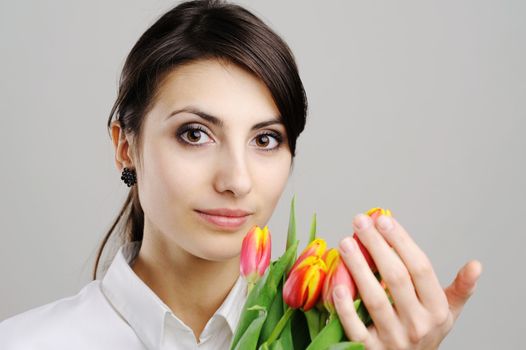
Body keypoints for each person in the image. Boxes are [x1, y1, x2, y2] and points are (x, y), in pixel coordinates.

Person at [0, 0, 482, 349]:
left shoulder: (341, 337)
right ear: (125, 146)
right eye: (194, 134)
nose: (237, 180)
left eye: (265, 139)